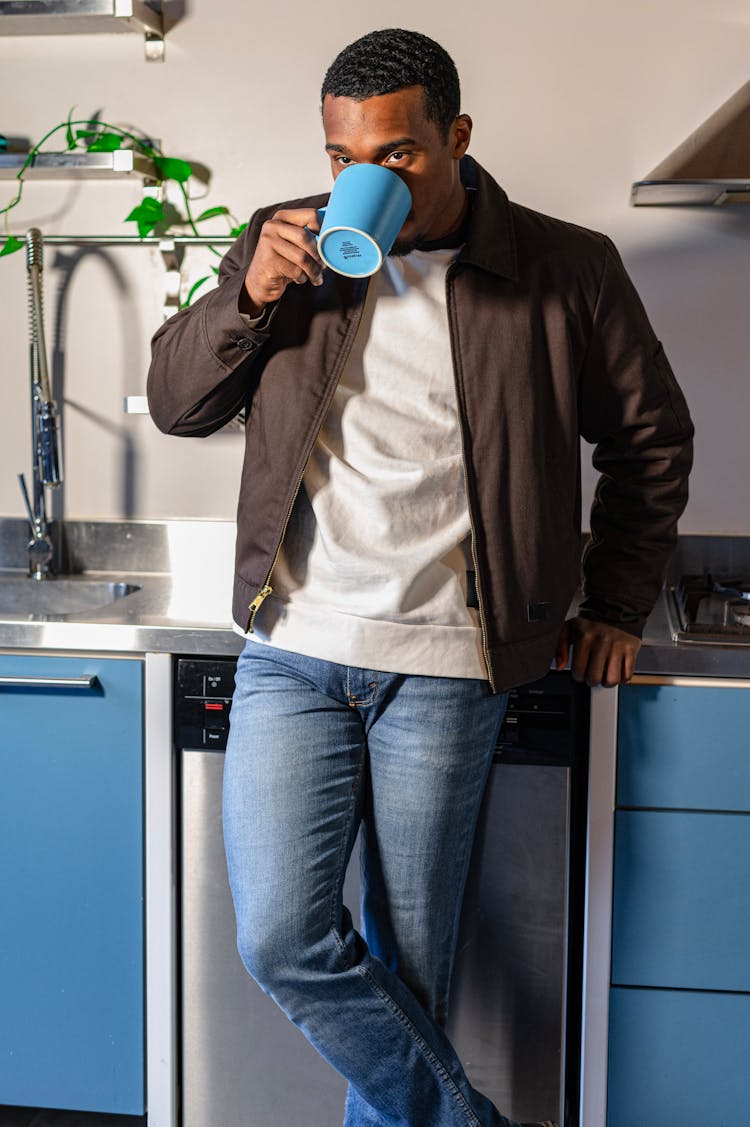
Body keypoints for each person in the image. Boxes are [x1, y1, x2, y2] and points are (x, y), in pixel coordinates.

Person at [147, 27, 693, 1127]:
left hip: (450, 664)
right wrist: (248, 296)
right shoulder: (285, 245)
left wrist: (617, 602)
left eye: (394, 156)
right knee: (282, 935)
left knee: (413, 963)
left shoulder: (564, 266)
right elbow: (178, 403)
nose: (362, 179)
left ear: (456, 138)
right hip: (295, 646)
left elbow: (651, 440)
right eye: (343, 154)